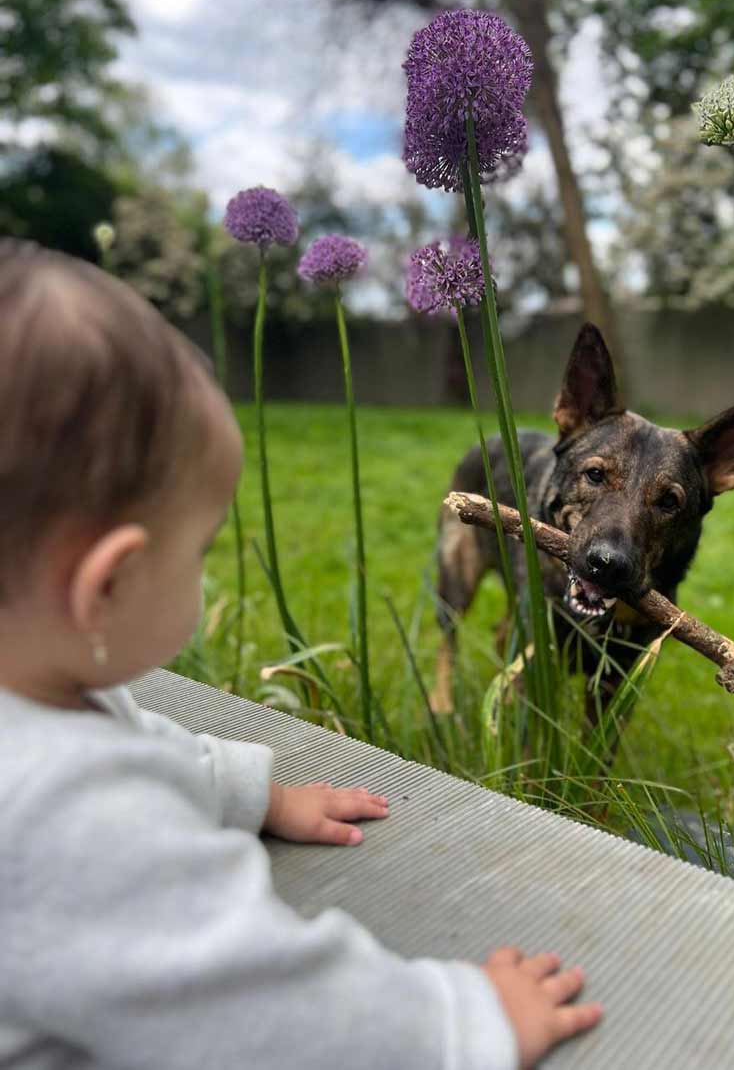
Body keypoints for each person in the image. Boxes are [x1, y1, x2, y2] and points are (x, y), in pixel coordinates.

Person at [0, 241, 602, 1069]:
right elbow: (271, 1012)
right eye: (200, 548)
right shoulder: (75, 826)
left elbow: (121, 741)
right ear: (104, 587)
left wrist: (247, 792)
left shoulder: (35, 696)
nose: (206, 570)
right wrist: (462, 1022)